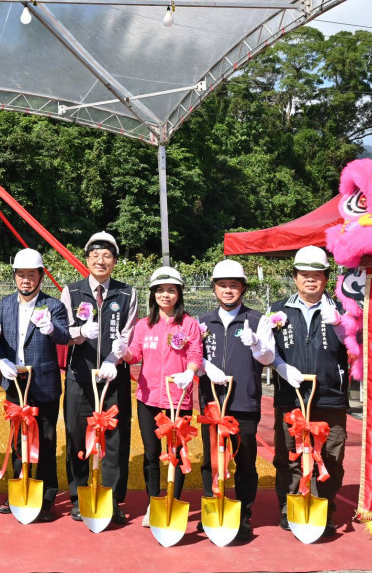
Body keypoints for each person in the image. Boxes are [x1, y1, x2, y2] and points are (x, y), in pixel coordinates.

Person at [264, 245, 350, 537]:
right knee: (289, 456)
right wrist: (280, 368)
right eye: (304, 274)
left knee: (331, 457)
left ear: (326, 277)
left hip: (330, 396)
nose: (310, 279)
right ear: (295, 277)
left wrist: (341, 325)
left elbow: (359, 346)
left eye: (317, 274)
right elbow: (267, 350)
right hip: (291, 396)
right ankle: (290, 508)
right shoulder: (278, 309)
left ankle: (324, 510)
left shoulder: (342, 310)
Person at [60, 231, 137, 524]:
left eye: (107, 256)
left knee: (115, 439)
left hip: (114, 377)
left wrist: (111, 360)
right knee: (77, 435)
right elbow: (63, 332)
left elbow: (128, 333)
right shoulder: (72, 291)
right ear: (87, 259)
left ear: (114, 261)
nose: (100, 261)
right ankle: (80, 497)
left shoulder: (127, 293)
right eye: (95, 255)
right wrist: (79, 332)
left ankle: (112, 499)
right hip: (79, 377)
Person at [195, 260, 274, 541]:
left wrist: (256, 344)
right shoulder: (202, 321)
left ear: (243, 289)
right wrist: (206, 367)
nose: (228, 290)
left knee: (245, 461)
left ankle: (243, 517)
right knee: (211, 461)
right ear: (214, 288)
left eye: (233, 285)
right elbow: (193, 357)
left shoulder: (258, 320)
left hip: (244, 402)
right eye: (222, 285)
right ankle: (211, 510)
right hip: (212, 403)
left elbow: (269, 358)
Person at [0, 248, 70, 522]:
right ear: (14, 276)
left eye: (31, 275)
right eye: (21, 275)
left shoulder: (53, 306)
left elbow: (64, 336)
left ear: (41, 276)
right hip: (15, 381)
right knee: (17, 440)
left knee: (46, 440)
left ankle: (47, 497)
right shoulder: (5, 305)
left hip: (44, 383)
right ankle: (18, 489)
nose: (26, 280)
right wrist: (0, 360)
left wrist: (51, 329)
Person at [118, 266, 203, 526]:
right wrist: (123, 351)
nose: (165, 295)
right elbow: (135, 354)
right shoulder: (144, 325)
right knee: (151, 453)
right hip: (148, 398)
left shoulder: (189, 324)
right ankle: (153, 502)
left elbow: (195, 355)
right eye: (160, 290)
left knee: (177, 452)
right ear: (153, 294)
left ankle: (173, 501)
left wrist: (189, 372)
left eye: (171, 290)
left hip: (178, 398)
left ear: (179, 294)